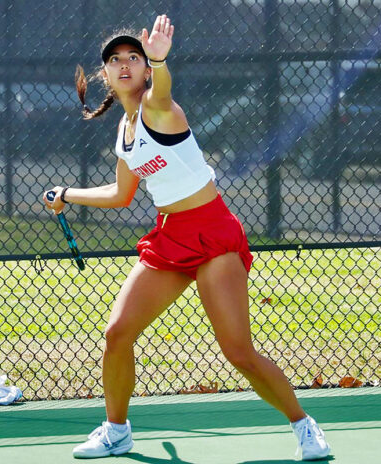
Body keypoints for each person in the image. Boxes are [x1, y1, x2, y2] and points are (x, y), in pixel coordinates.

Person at [43, 14, 331, 461]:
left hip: (214, 233)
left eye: (133, 58)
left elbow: (162, 90)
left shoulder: (161, 109)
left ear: (144, 68)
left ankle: (304, 425)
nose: (125, 65)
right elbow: (122, 195)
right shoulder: (125, 132)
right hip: (171, 236)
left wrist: (159, 61)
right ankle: (116, 431)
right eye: (115, 60)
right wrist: (67, 193)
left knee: (239, 353)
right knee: (118, 332)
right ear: (105, 73)